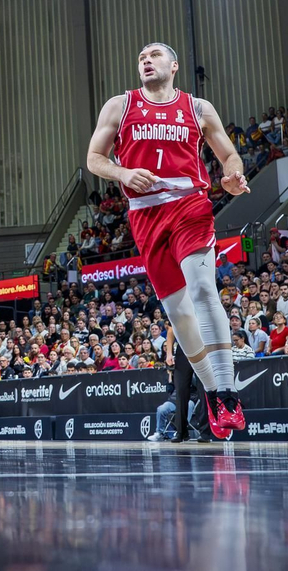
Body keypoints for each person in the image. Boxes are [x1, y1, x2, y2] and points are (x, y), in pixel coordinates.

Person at [85, 42, 250, 438]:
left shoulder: (198, 108)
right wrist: (123, 174)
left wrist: (232, 175)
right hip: (146, 216)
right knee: (178, 313)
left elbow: (230, 155)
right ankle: (212, 394)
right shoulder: (119, 106)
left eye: (154, 54)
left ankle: (227, 391)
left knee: (202, 289)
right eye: (141, 55)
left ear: (173, 66)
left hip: (189, 205)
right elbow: (94, 158)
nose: (145, 59)